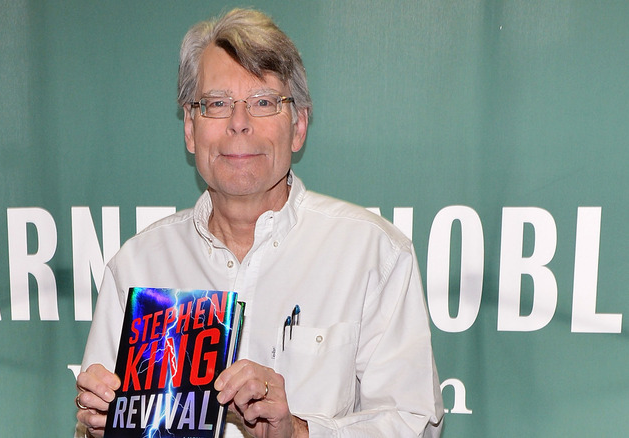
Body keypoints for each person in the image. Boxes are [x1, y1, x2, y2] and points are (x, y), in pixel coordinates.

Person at [74, 8, 443, 438]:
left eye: (263, 102)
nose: (239, 123)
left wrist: (298, 433)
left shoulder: (373, 254)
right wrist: (102, 426)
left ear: (299, 126)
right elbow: (98, 423)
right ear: (190, 129)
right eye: (217, 104)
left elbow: (415, 425)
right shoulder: (136, 266)